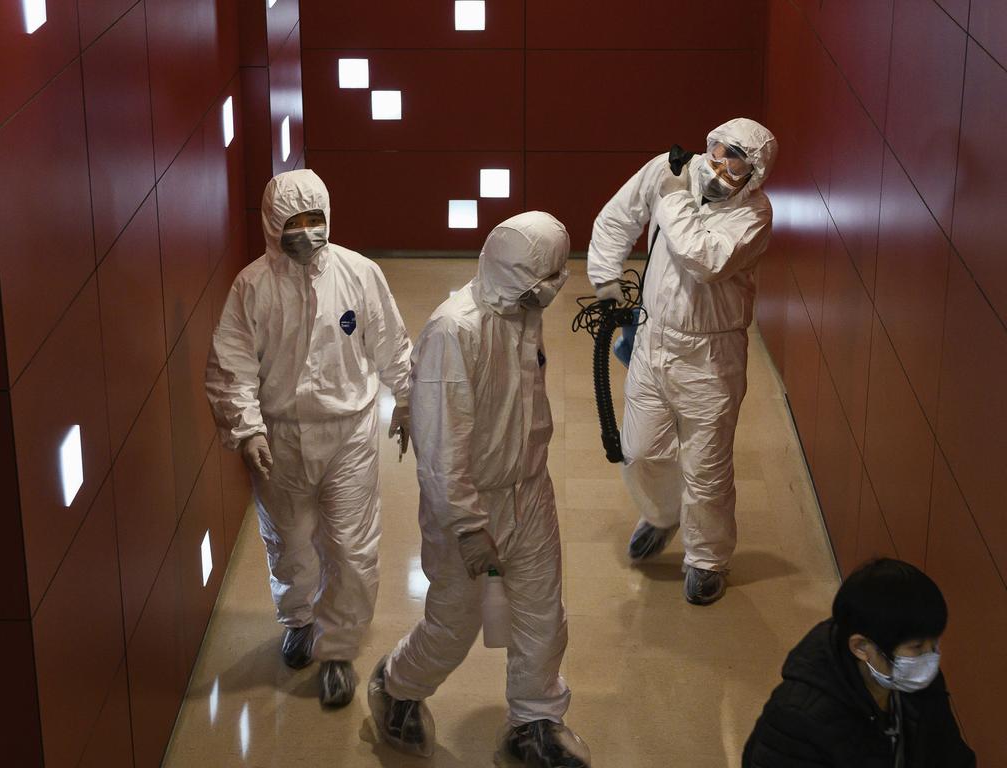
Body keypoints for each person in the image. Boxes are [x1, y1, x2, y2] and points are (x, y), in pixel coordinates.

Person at [367, 212, 591, 767]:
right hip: (469, 504)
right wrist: (468, 528)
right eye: (544, 278)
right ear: (513, 271)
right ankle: (396, 687)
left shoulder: (522, 310)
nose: (553, 290)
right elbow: (441, 451)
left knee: (542, 616)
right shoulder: (454, 331)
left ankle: (534, 722)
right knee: (454, 623)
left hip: (530, 490)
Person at [205, 169, 412, 707]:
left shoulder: (358, 274)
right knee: (291, 540)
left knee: (350, 543)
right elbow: (232, 365)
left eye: (314, 220)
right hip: (281, 437)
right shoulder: (252, 287)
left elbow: (392, 341)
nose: (306, 231)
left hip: (349, 433)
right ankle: (299, 619)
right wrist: (246, 427)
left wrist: (409, 399)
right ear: (273, 225)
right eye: (293, 222)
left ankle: (338, 649)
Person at [587, 117, 778, 605]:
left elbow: (704, 260)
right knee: (640, 448)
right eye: (717, 153)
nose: (718, 170)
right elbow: (616, 218)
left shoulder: (754, 216)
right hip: (653, 338)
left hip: (711, 357)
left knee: (706, 465)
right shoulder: (669, 171)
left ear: (752, 177)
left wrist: (672, 201)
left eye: (734, 167)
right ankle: (663, 512)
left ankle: (707, 558)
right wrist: (607, 281)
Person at [743, 558, 976, 767]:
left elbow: (951, 755)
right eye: (917, 648)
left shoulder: (914, 679)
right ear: (862, 647)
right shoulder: (797, 717)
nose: (930, 659)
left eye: (933, 644)